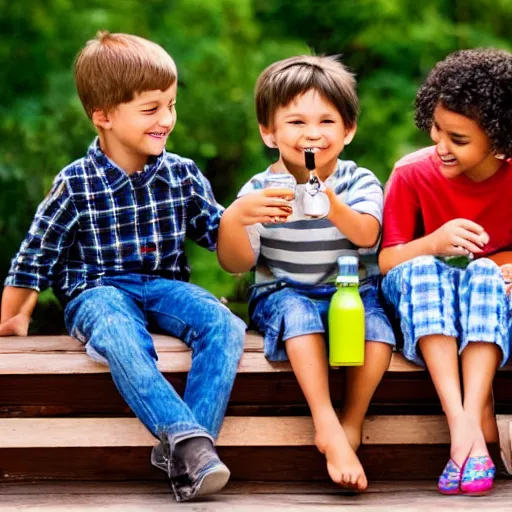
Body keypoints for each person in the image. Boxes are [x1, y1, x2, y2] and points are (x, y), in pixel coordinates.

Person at [0, 31, 250, 502]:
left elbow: (224, 244)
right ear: (104, 116)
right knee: (116, 330)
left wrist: (239, 218)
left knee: (224, 323)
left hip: (164, 286)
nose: (167, 119)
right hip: (98, 291)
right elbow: (35, 257)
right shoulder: (76, 182)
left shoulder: (182, 174)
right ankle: (191, 445)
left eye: (171, 105)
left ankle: (185, 448)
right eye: (151, 109)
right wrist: (14, 317)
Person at [217, 55, 396, 491]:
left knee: (378, 331)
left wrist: (331, 203)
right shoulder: (260, 190)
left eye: (327, 121)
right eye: (295, 121)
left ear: (349, 130)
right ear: (268, 131)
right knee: (298, 316)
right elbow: (236, 263)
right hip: (283, 289)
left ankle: (352, 421)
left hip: (352, 289)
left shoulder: (359, 181)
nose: (312, 133)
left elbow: (368, 235)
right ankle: (326, 422)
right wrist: (234, 219)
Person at [379, 48, 512, 496]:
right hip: (420, 290)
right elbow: (387, 261)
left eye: (458, 138)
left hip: (484, 296)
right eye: (437, 128)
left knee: (485, 276)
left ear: (498, 139)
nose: (440, 145)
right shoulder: (412, 174)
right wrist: (433, 243)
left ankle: (469, 423)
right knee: (425, 271)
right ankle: (465, 428)